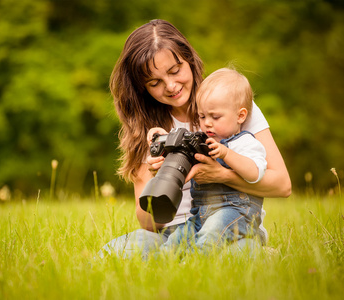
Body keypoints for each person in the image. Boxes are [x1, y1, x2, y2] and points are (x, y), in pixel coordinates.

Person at [98, 19, 291, 258]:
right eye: (155, 82)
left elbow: (283, 185)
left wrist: (221, 175)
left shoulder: (229, 103)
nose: (170, 86)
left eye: (175, 70)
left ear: (189, 59)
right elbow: (148, 226)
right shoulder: (148, 129)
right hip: (174, 234)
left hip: (229, 228)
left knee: (238, 254)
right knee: (114, 252)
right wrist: (155, 178)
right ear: (142, 88)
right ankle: (180, 259)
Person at [152, 67, 268, 254]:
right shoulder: (204, 142)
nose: (207, 123)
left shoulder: (245, 142)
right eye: (202, 116)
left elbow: (255, 173)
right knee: (176, 240)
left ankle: (192, 266)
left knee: (211, 235)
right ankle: (159, 266)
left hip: (236, 212)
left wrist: (226, 154)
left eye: (215, 117)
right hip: (201, 214)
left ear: (241, 116)